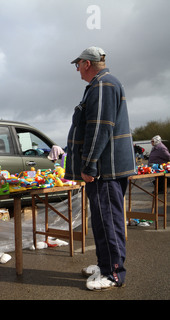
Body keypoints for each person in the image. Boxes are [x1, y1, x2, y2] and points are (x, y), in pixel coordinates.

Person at [65, 47, 136, 291]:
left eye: (78, 65)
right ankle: (104, 264)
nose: (77, 70)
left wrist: (90, 164)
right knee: (101, 220)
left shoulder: (103, 85)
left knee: (108, 221)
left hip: (105, 170)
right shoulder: (101, 84)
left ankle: (114, 273)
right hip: (105, 169)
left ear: (86, 63)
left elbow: (100, 128)